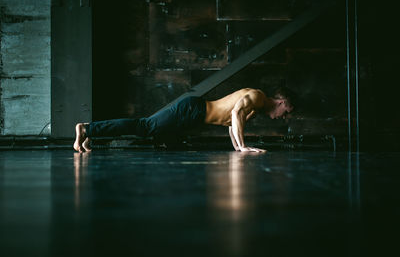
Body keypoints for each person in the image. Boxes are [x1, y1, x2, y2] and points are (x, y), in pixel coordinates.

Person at [73, 87, 295, 153]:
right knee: (145, 127)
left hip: (193, 116)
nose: (283, 117)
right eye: (286, 113)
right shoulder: (257, 97)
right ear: (282, 102)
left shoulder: (255, 109)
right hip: (192, 110)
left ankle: (90, 134)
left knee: (148, 130)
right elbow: (236, 114)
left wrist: (239, 148)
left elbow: (231, 124)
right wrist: (244, 147)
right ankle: (86, 128)